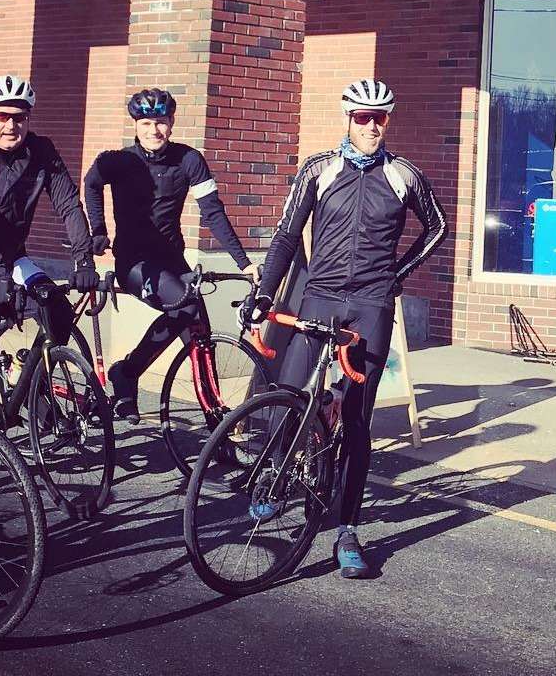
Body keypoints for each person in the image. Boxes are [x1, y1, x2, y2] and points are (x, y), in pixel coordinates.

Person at [252, 78, 446, 578]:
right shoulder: (320, 169)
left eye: (381, 117)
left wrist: (396, 277)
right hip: (319, 298)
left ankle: (347, 529)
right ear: (347, 117)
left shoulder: (403, 174)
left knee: (357, 419)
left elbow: (438, 226)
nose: (372, 126)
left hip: (370, 307)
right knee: (290, 392)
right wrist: (262, 295)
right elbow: (286, 235)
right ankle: (278, 476)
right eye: (363, 117)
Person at [84, 88, 258, 421]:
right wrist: (98, 230)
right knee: (184, 305)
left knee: (199, 332)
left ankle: (215, 427)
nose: (154, 130)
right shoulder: (119, 161)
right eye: (146, 123)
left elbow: (213, 212)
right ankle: (127, 373)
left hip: (172, 261)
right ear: (136, 125)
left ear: (172, 122)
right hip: (134, 262)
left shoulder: (189, 160)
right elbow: (92, 183)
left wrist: (244, 261)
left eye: (161, 122)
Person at [0, 74, 98, 400]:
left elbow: (68, 204)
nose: (10, 125)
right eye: (1, 116)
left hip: (11, 255)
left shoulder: (41, 150)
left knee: (57, 310)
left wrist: (83, 258)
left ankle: (29, 384)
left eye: (19, 117)